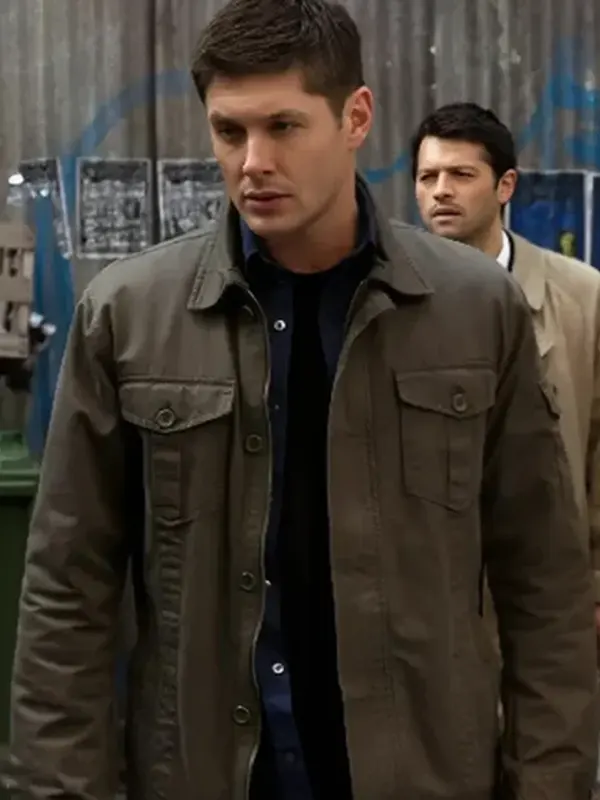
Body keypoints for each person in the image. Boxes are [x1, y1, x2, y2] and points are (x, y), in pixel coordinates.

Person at [8, 3, 598, 799]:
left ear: (355, 117)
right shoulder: (128, 316)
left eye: (284, 126)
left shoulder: (473, 310)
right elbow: (67, 591)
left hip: (423, 773)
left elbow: (545, 583)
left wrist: (549, 783)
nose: (254, 162)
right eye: (230, 132)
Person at [412, 101, 600, 636]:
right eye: (427, 177)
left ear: (505, 185)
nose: (441, 191)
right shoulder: (383, 301)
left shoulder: (582, 297)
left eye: (461, 174)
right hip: (428, 602)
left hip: (547, 594)